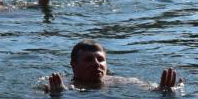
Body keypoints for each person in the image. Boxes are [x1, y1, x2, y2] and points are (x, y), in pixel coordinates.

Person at [45, 40, 183, 93]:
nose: (96, 63)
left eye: (101, 59)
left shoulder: (122, 81)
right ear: (73, 65)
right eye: (88, 59)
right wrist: (58, 95)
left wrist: (164, 89)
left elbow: (151, 90)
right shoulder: (61, 85)